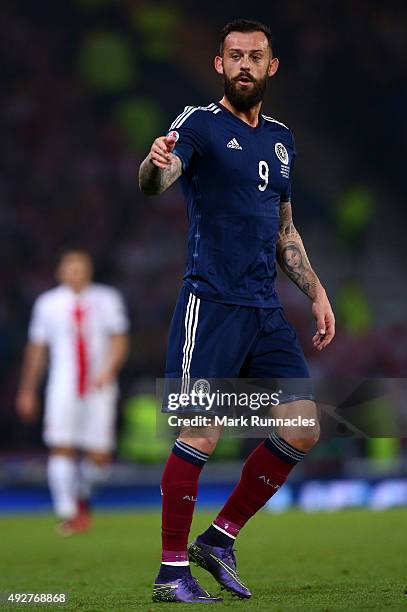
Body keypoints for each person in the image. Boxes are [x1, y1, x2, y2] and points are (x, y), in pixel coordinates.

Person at [139, 18, 335, 603]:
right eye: (234, 56)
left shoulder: (281, 139)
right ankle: (172, 571)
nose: (244, 65)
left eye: (255, 56)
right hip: (212, 302)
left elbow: (284, 227)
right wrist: (154, 162)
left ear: (272, 67)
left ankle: (219, 539)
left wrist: (317, 291)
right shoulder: (197, 124)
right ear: (218, 64)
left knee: (303, 425)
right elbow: (157, 180)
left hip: (264, 308)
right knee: (202, 430)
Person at [16, 249, 129, 535]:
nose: (76, 273)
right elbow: (37, 350)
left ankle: (80, 497)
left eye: (81, 267)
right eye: (71, 267)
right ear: (61, 272)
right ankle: (67, 511)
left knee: (100, 457)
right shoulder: (48, 303)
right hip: (63, 385)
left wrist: (108, 369)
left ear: (89, 271)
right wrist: (27, 390)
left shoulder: (107, 299)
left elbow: (119, 340)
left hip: (99, 385)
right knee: (61, 446)